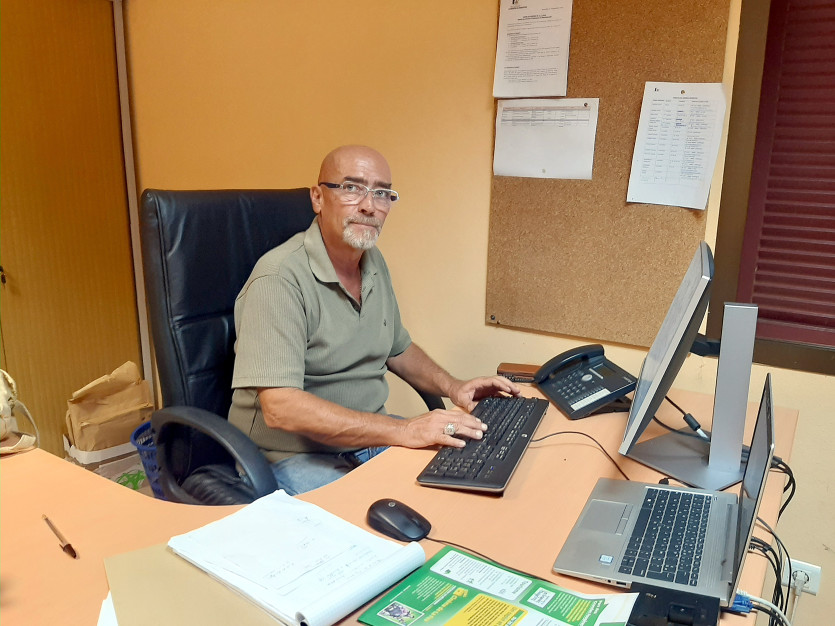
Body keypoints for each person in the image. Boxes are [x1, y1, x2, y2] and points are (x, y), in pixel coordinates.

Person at [228, 145, 519, 494]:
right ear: (318, 198)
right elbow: (281, 409)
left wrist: (454, 387)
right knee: (375, 515)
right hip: (288, 457)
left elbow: (398, 349)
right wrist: (403, 429)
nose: (369, 206)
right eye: (352, 188)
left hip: (367, 439)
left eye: (382, 193)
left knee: (467, 473)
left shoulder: (371, 260)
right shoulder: (278, 279)